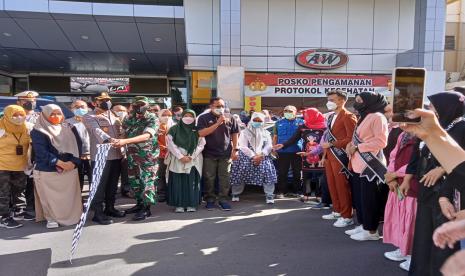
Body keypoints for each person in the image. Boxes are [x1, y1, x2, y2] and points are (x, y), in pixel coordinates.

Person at [406, 92, 465, 276]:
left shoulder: (461, 126)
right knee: (426, 240)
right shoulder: (445, 126)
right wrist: (444, 196)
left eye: (432, 106)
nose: (429, 109)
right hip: (435, 192)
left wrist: (441, 169)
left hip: (446, 193)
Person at [31, 104, 83, 229]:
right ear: (44, 115)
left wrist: (73, 162)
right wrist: (60, 163)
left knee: (69, 198)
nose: (55, 116)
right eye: (52, 114)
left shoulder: (69, 127)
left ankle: (73, 216)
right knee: (49, 198)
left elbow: (78, 145)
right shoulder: (38, 130)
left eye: (58, 113)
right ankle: (51, 218)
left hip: (70, 169)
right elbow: (41, 152)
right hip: (48, 169)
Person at [346, 91, 388, 240]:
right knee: (360, 198)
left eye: (360, 100)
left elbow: (381, 142)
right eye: (356, 100)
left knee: (370, 199)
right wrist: (350, 146)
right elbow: (359, 138)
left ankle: (371, 231)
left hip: (370, 165)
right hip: (357, 164)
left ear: (369, 102)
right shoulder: (363, 117)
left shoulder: (378, 117)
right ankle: (363, 225)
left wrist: (358, 148)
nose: (357, 103)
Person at [112, 96, 159, 221]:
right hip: (132, 155)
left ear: (147, 105)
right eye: (136, 104)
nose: (139, 106)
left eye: (142, 104)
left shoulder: (152, 117)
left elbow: (147, 135)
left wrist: (124, 141)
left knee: (146, 181)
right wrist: (118, 139)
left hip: (147, 156)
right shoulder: (128, 118)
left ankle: (146, 208)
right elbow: (124, 132)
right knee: (135, 181)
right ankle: (139, 204)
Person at [83, 92, 125, 225]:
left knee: (112, 185)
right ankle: (98, 213)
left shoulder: (114, 116)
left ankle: (110, 208)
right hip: (101, 156)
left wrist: (124, 142)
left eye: (108, 99)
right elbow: (97, 131)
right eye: (103, 100)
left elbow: (122, 132)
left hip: (116, 154)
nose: (106, 102)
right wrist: (110, 139)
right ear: (94, 102)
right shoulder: (89, 116)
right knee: (99, 186)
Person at [382, 131, 419, 271]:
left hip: (413, 183)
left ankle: (413, 255)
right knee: (399, 216)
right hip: (397, 181)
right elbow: (393, 155)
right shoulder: (402, 134)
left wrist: (395, 174)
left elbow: (417, 161)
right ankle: (402, 248)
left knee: (411, 219)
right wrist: (390, 176)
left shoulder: (424, 133)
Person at [320, 90, 357, 228]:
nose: (329, 102)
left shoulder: (348, 116)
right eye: (328, 99)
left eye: (332, 100)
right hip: (330, 155)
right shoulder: (330, 117)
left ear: (342, 101)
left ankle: (347, 216)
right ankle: (337, 210)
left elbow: (351, 138)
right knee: (332, 185)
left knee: (342, 186)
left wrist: (332, 144)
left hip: (340, 155)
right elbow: (327, 137)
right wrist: (324, 154)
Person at [274, 108, 326, 204]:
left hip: (320, 155)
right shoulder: (303, 126)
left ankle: (319, 195)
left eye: (307, 115)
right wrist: (283, 145)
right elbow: (294, 138)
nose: (305, 117)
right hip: (306, 155)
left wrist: (324, 156)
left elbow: (326, 142)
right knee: (307, 175)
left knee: (319, 176)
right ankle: (306, 194)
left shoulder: (324, 127)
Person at [197, 97, 239, 211]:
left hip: (225, 154)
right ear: (211, 106)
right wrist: (218, 123)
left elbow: (235, 134)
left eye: (222, 106)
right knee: (209, 178)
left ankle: (223, 200)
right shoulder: (203, 118)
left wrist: (235, 149)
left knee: (224, 178)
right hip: (209, 154)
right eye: (217, 106)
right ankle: (210, 200)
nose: (221, 108)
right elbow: (201, 133)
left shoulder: (230, 117)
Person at [231, 112, 277, 204]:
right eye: (255, 120)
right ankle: (235, 193)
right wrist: (253, 156)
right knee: (240, 171)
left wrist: (261, 155)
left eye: (259, 121)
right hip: (247, 155)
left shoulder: (266, 132)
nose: (257, 122)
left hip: (262, 156)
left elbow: (269, 145)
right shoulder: (245, 132)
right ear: (251, 120)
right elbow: (243, 146)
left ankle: (269, 194)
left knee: (268, 172)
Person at [165, 110, 205, 212]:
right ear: (181, 117)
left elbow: (201, 144)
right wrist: (180, 156)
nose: (188, 118)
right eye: (185, 116)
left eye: (191, 116)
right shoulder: (173, 129)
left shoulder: (198, 130)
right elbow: (170, 143)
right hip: (177, 159)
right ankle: (179, 205)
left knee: (192, 181)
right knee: (178, 182)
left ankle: (192, 204)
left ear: (195, 118)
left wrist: (191, 156)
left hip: (194, 160)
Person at [0, 105, 30, 228]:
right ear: (7, 115)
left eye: (21, 114)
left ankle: (19, 211)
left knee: (20, 189)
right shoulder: (1, 127)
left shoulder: (27, 127)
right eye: (14, 115)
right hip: (2, 165)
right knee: (3, 192)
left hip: (20, 164)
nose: (18, 118)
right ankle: (4, 217)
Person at [13, 91, 39, 220]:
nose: (31, 103)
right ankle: (17, 208)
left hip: (33, 154)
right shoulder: (11, 117)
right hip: (15, 155)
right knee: (17, 182)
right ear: (19, 103)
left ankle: (31, 207)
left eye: (33, 100)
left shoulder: (40, 117)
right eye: (26, 101)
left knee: (32, 181)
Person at [273, 105, 304, 198]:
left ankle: (297, 191)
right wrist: (274, 148)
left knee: (297, 173)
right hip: (282, 151)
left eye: (290, 111)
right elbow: (275, 137)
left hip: (297, 151)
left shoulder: (302, 123)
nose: (287, 112)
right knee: (282, 172)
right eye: (286, 110)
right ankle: (282, 191)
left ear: (295, 112)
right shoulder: (278, 123)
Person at [68, 100, 91, 193]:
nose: (80, 109)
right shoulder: (67, 122)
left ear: (87, 108)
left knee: (93, 179)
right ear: (72, 109)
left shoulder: (93, 120)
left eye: (82, 107)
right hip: (76, 156)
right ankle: (78, 202)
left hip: (92, 155)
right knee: (78, 180)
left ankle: (94, 202)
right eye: (77, 107)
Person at [112, 104, 131, 198]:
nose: (121, 112)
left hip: (126, 150)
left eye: (123, 110)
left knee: (126, 172)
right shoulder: (109, 120)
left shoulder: (129, 121)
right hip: (112, 150)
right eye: (118, 110)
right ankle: (112, 190)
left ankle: (126, 189)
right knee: (113, 173)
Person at [157, 109, 174, 202]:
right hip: (161, 154)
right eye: (164, 115)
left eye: (169, 115)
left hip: (174, 154)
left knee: (172, 173)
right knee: (161, 174)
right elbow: (155, 140)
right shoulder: (156, 126)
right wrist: (164, 147)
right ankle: (162, 193)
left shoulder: (174, 125)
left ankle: (171, 192)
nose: (166, 117)